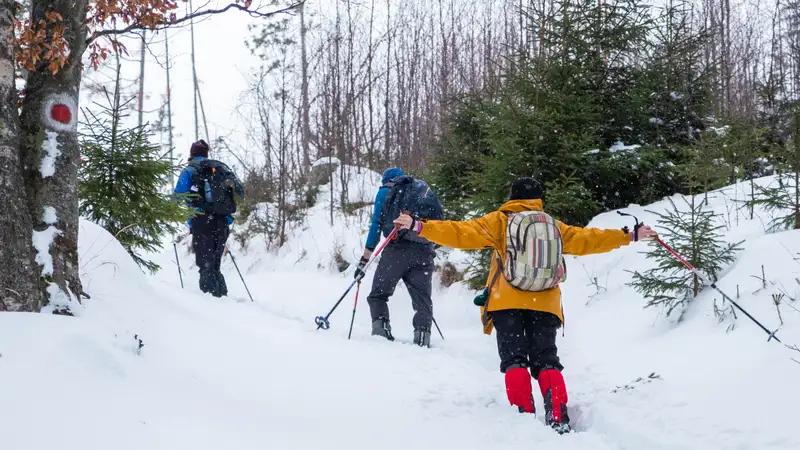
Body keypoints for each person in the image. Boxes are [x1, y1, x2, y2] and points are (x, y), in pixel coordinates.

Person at [393, 177, 657, 433]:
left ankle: (524, 417)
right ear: (539, 199)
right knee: (547, 360)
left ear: (512, 198)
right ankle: (558, 416)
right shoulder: (553, 225)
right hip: (545, 302)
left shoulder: (500, 221)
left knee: (514, 360)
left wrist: (419, 226)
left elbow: (461, 232)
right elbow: (589, 239)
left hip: (506, 302)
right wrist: (630, 235)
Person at [355, 167, 441, 347]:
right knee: (422, 299)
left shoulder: (385, 192)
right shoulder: (421, 189)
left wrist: (364, 260)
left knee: (378, 295)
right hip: (424, 250)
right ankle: (422, 336)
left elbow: (375, 227)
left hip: (397, 250)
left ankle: (381, 336)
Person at [174, 139, 245, 298]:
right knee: (214, 264)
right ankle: (222, 298)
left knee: (205, 265)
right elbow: (240, 191)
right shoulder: (219, 169)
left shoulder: (190, 170)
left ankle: (210, 305)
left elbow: (177, 196)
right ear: (206, 154)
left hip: (202, 221)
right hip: (222, 222)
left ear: (191, 154)